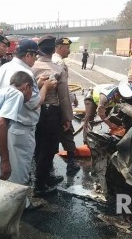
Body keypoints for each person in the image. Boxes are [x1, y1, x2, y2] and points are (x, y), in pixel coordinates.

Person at [0, 39, 57, 192]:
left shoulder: (5, 66)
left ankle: (2, 200)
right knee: (19, 170)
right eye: (35, 56)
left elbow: (15, 91)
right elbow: (34, 102)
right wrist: (46, 87)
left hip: (4, 125)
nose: (36, 60)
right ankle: (21, 205)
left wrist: (36, 83)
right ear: (28, 55)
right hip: (20, 127)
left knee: (2, 169)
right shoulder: (26, 72)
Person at [32, 35, 73, 195]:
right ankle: (40, 184)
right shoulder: (57, 69)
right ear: (53, 49)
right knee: (49, 148)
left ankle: (44, 177)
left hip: (34, 111)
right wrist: (67, 118)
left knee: (38, 145)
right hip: (51, 111)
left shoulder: (31, 67)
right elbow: (63, 97)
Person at [52, 37, 81, 173]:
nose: (69, 51)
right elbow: (62, 89)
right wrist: (72, 99)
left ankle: (48, 166)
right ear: (59, 47)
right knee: (67, 132)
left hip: (49, 106)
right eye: (67, 48)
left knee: (49, 136)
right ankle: (71, 163)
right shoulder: (60, 63)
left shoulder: (49, 60)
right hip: (59, 104)